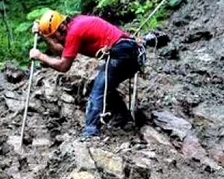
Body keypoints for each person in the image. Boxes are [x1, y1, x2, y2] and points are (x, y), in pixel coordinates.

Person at [29, 9, 145, 138]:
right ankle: (123, 117)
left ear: (61, 27)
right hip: (127, 51)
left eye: (53, 36)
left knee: (98, 91)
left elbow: (63, 66)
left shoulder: (75, 32)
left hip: (123, 53)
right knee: (104, 87)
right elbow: (62, 52)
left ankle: (90, 132)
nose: (54, 39)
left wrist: (40, 56)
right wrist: (44, 36)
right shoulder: (74, 25)